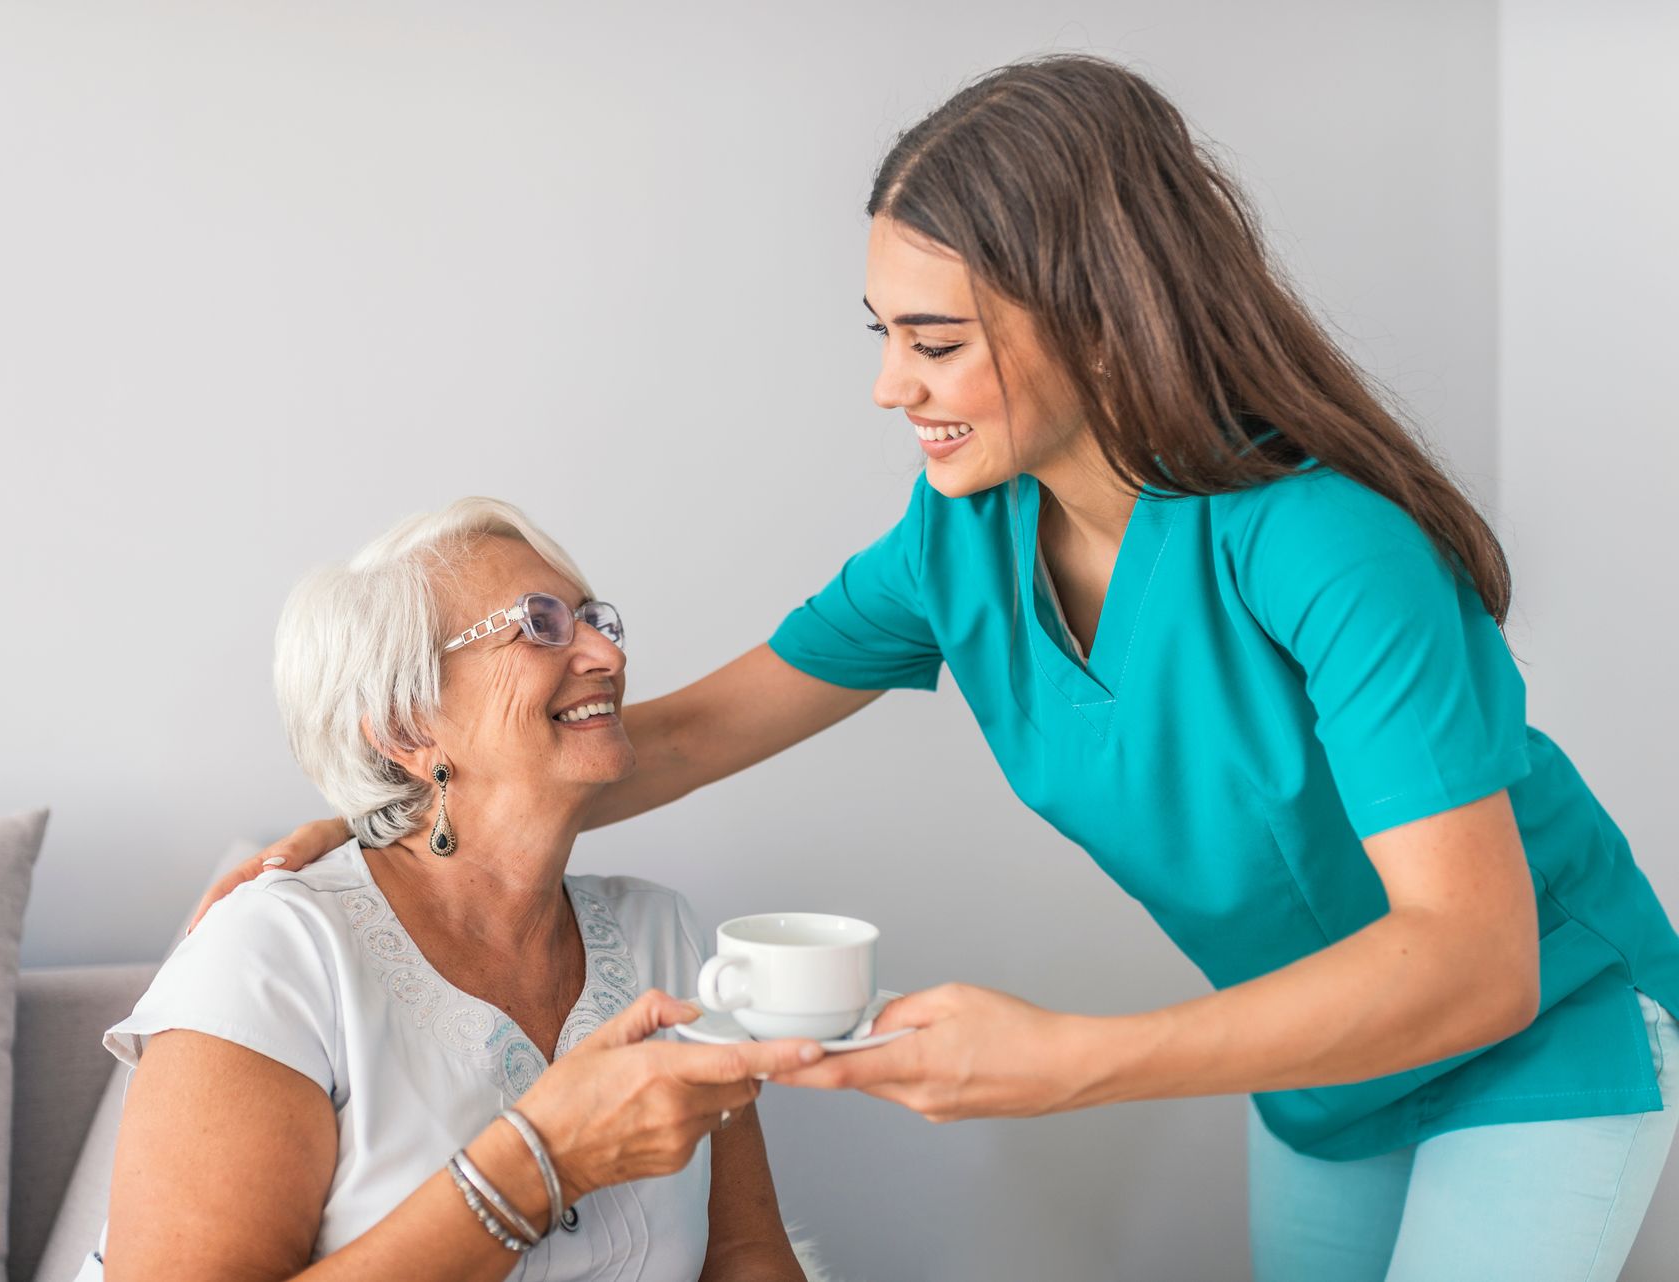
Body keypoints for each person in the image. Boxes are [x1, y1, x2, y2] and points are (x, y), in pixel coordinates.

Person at [201, 56, 1679, 1279]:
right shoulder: (960, 541)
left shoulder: (1324, 550)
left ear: (1096, 319)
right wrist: (394, 826)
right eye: (882, 334)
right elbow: (680, 735)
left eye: (934, 341)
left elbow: (1477, 959)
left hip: (1544, 1030)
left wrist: (1070, 1061)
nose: (888, 384)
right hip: (1317, 1068)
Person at [86, 498, 823, 1281]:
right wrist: (540, 1164)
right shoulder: (273, 955)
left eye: (594, 618)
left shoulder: (659, 933)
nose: (606, 653)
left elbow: (745, 1254)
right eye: (540, 623)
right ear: (406, 726)